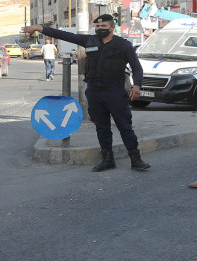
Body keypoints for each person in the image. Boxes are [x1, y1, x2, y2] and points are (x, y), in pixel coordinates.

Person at [22, 14, 151, 173]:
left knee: (124, 126)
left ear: (112, 27)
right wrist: (38, 28)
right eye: (97, 27)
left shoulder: (123, 45)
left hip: (115, 92)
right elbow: (63, 35)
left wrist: (136, 85)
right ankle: (107, 159)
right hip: (95, 92)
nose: (99, 29)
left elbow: (137, 68)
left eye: (103, 26)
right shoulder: (89, 41)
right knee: (102, 128)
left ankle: (136, 159)